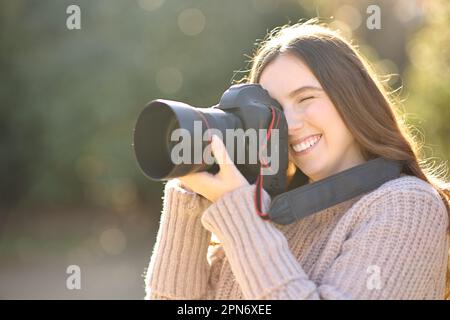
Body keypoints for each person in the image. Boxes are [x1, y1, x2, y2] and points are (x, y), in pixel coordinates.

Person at [144, 21, 450, 300]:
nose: (289, 124)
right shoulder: (270, 215)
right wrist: (189, 197)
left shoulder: (407, 205)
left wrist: (240, 210)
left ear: (352, 97)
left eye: (305, 99)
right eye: (274, 110)